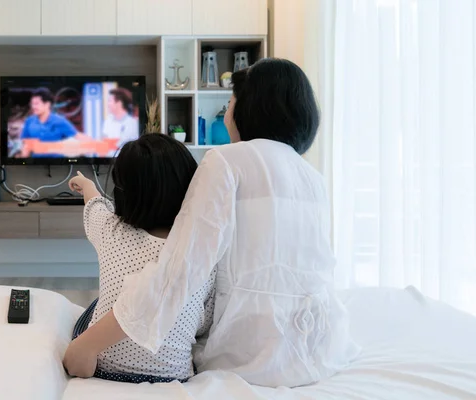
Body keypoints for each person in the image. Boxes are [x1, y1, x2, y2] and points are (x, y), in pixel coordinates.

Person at [65, 58, 360, 388]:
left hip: (250, 356)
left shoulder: (226, 160)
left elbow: (181, 267)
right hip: (314, 349)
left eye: (230, 100)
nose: (227, 110)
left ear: (251, 107)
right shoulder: (311, 176)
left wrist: (88, 344)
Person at [63, 134, 216, 384]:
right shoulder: (203, 253)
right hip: (172, 377)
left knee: (95, 306)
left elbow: (95, 206)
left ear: (124, 193)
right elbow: (204, 322)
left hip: (106, 368)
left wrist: (87, 185)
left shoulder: (110, 230)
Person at [21, 88, 77, 156]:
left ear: (47, 104)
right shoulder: (29, 121)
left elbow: (76, 137)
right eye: (32, 104)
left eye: (36, 104)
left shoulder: (60, 121)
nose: (33, 107)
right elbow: (26, 145)